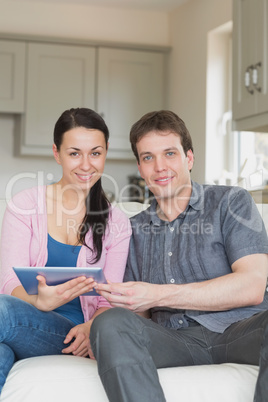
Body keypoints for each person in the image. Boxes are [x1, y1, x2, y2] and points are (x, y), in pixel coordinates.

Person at [91, 110, 268, 402]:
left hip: (240, 331)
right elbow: (138, 313)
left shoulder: (231, 202)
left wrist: (158, 294)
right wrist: (101, 311)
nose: (160, 167)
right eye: (148, 157)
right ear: (140, 166)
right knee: (109, 324)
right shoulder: (132, 229)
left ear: (189, 158)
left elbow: (252, 286)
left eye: (169, 154)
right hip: (174, 341)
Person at [0, 107, 131, 394]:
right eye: (74, 153)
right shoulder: (24, 205)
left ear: (106, 152)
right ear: (57, 153)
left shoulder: (117, 222)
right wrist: (39, 302)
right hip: (24, 318)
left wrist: (90, 329)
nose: (86, 165)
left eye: (95, 153)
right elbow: (9, 282)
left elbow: (110, 299)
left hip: (72, 333)